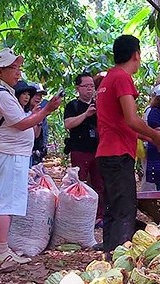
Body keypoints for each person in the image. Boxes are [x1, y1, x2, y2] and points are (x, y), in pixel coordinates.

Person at [96, 35, 160, 259]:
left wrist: (149, 138)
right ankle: (120, 259)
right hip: (118, 153)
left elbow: (121, 123)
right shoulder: (122, 78)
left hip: (107, 152)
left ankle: (109, 252)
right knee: (125, 208)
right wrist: (156, 134)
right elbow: (131, 119)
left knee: (113, 205)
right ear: (136, 54)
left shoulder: (107, 79)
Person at [0, 48, 61, 263]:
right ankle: (0, 249)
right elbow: (20, 124)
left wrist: (37, 113)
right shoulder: (2, 96)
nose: (17, 73)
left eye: (18, 67)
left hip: (7, 153)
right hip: (9, 154)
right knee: (4, 203)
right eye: (12, 68)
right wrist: (46, 110)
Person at [63, 72, 105, 226]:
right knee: (79, 183)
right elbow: (68, 124)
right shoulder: (73, 106)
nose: (89, 89)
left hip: (98, 150)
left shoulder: (99, 104)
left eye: (92, 86)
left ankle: (99, 216)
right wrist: (86, 114)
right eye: (85, 86)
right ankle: (79, 216)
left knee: (99, 183)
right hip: (79, 149)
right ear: (77, 88)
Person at [29, 83, 49, 166]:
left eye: (40, 95)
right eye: (36, 94)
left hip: (37, 155)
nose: (38, 98)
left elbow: (39, 136)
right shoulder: (22, 113)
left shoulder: (41, 113)